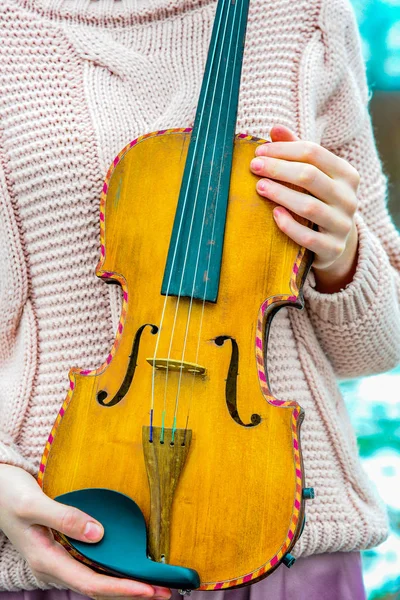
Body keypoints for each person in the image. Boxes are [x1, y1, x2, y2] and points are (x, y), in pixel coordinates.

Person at [0, 0, 399, 599]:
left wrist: (344, 255)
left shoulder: (305, 14)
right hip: (57, 535)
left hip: (283, 536)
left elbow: (376, 348)